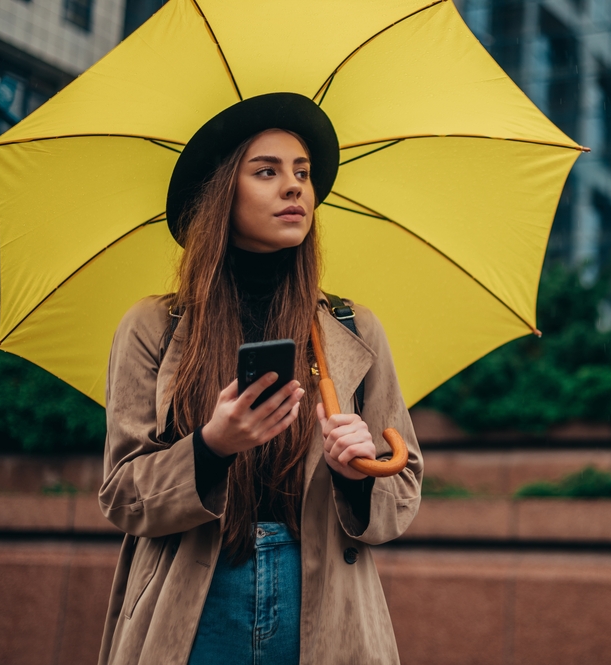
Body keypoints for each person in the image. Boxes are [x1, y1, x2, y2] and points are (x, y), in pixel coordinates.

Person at [97, 93, 423, 665]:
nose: (294, 187)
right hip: (193, 601)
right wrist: (211, 447)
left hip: (321, 603)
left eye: (302, 173)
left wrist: (358, 474)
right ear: (225, 192)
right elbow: (123, 496)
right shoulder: (153, 326)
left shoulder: (352, 328)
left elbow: (404, 489)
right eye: (266, 172)